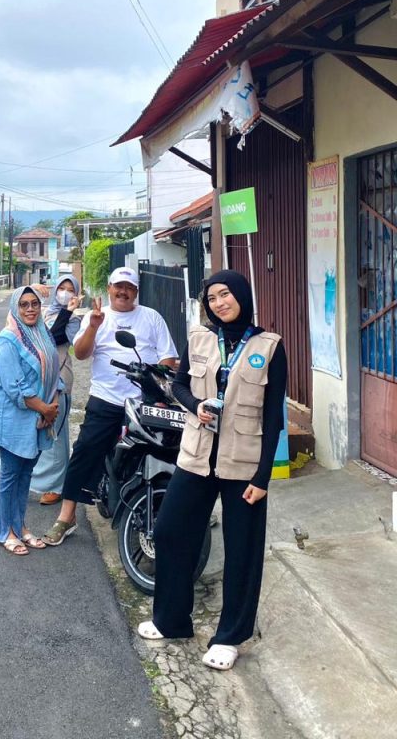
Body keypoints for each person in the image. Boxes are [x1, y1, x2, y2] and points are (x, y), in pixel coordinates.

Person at [137, 270, 287, 672]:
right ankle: (172, 620)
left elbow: (273, 418)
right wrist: (195, 405)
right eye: (212, 298)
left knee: (242, 550)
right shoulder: (200, 338)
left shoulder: (269, 346)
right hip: (197, 455)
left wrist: (262, 478)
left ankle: (230, 636)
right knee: (170, 532)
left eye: (226, 295)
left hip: (242, 462)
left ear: (241, 296)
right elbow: (180, 386)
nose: (220, 303)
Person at [42, 266, 177, 546]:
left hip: (145, 401)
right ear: (109, 287)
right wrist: (93, 325)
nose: (123, 292)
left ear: (136, 291)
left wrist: (158, 383)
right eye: (119, 286)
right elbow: (80, 354)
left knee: (170, 450)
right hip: (107, 398)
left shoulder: (151, 317)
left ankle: (177, 502)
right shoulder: (97, 318)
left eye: (129, 287)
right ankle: (67, 516)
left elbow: (168, 358)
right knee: (85, 451)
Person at [0, 286, 60, 555]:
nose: (30, 309)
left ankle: (19, 527)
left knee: (25, 475)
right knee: (10, 476)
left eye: (35, 304)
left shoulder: (43, 334)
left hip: (40, 418)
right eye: (24, 305)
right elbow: (14, 386)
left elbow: (54, 371)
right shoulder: (7, 339)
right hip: (15, 419)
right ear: (15, 309)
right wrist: (45, 409)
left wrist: (50, 407)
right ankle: (2, 530)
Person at [29, 274, 82, 505]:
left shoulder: (73, 321)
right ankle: (32, 480)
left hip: (60, 378)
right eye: (62, 287)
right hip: (36, 378)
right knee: (33, 429)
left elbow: (51, 338)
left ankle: (56, 486)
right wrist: (30, 287)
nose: (65, 292)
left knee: (56, 434)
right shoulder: (42, 312)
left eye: (71, 289)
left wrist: (69, 312)